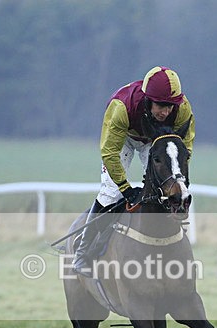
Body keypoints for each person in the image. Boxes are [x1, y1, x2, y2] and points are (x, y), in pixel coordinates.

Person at [72, 66, 195, 274]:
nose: (166, 112)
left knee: (165, 188)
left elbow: (184, 149)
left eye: (170, 107)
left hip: (156, 140)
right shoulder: (121, 107)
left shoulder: (182, 109)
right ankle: (82, 254)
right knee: (110, 193)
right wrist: (126, 188)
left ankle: (169, 244)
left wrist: (179, 183)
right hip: (124, 139)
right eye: (161, 106)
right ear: (148, 100)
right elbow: (110, 152)